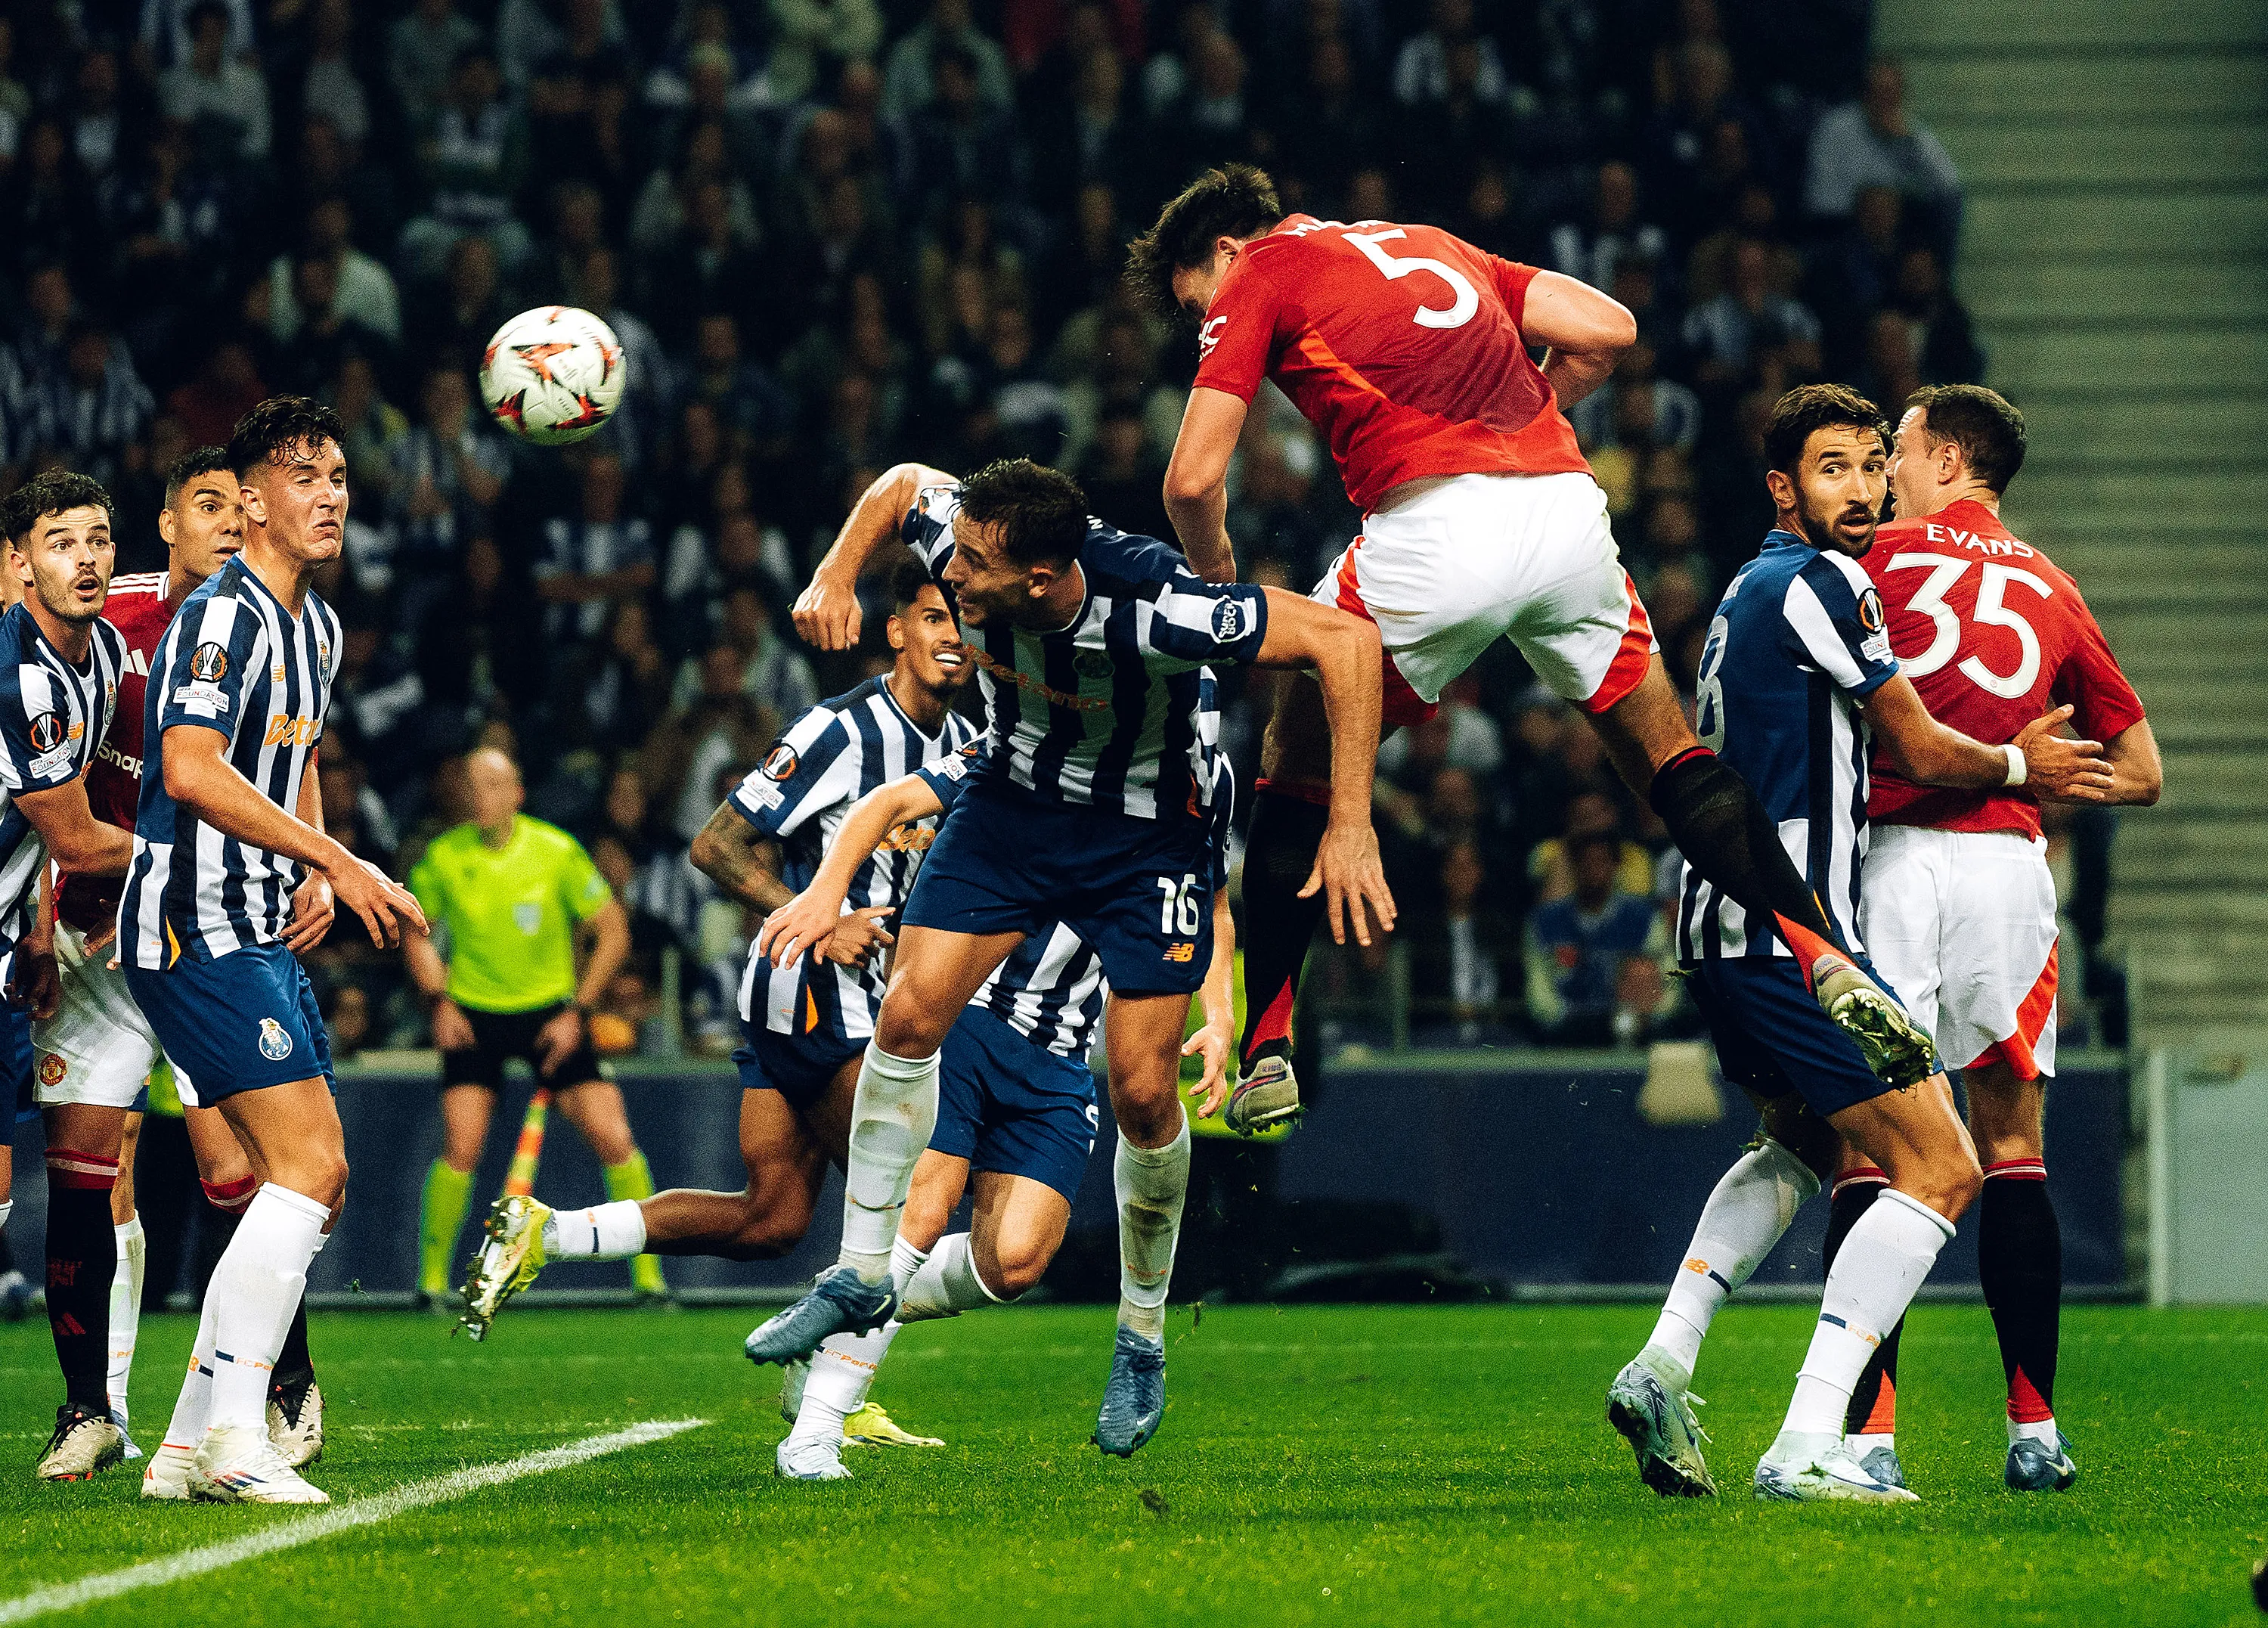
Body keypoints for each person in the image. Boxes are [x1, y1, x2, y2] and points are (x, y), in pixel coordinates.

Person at [1130, 165, 1935, 1136]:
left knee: (1290, 757)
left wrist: (1221, 596)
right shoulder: (1427, 239)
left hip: (1428, 527)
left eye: (1194, 304)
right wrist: (1536, 412)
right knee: (1671, 757)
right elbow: (1607, 331)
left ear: (1220, 249)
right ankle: (1823, 952)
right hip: (1563, 511)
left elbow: (1191, 478)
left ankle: (1266, 1044)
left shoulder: (1257, 266)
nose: (1204, 318)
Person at [742, 454, 1387, 1456]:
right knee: (909, 1019)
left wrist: (1349, 823)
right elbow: (901, 481)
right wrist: (833, 573)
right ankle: (863, 1272)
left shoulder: (1160, 606)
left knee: (1141, 1092)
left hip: (1145, 841)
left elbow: (1346, 640)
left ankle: (1140, 1334)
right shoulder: (968, 541)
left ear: (1041, 578)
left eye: (975, 567)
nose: (951, 578)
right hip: (1010, 807)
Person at [1603, 384, 2114, 1503]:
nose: (1866, 488)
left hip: (1719, 924)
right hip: (1791, 931)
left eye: (1877, 465)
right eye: (1834, 468)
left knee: (1796, 1145)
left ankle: (1663, 1361)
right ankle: (1806, 1442)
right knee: (1942, 1164)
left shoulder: (1746, 587)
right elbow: (1920, 744)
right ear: (1784, 488)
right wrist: (2026, 767)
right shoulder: (1829, 582)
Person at [456, 562, 978, 1376]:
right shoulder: (839, 730)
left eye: (966, 622)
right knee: (907, 1207)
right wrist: (816, 912)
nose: (955, 637)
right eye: (937, 618)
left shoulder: (959, 744)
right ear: (898, 630)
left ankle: (547, 1231)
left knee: (770, 1219)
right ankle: (832, 1391)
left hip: (836, 990)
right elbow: (715, 842)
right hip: (814, 987)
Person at [1820, 384, 2161, 1493]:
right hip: (2011, 874)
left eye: (1901, 452)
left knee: (1875, 1147)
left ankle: (1866, 1439)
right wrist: (2045, 770)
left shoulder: (1878, 558)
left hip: (1895, 861)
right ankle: (2035, 1430)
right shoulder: (2053, 583)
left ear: (1952, 457)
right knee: (2012, 1147)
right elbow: (2145, 771)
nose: (1885, 474)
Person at [764, 752, 1238, 1479]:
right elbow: (890, 801)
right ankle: (815, 1431)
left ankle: (840, 1307)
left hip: (1061, 1060)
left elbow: (1208, 900)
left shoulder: (1205, 768)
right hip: (972, 1018)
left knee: (1012, 1264)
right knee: (920, 1211)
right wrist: (826, 888)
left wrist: (1220, 1010)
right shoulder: (1032, 730)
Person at [122, 398, 426, 1506]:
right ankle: (240, 1443)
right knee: (310, 1170)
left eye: (339, 473)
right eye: (304, 475)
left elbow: (286, 755)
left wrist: (306, 862)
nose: (331, 493)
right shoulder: (222, 619)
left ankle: (184, 1443)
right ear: (250, 503)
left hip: (254, 919)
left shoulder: (320, 627)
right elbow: (194, 767)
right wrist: (340, 860)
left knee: (304, 1185)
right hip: (188, 922)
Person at [37, 449, 333, 1475]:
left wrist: (318, 865)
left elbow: (293, 757)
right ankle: (92, 1409)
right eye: (205, 504)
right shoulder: (104, 618)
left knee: (240, 1164)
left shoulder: (269, 627)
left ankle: (280, 1386)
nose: (224, 521)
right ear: (167, 524)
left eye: (235, 505)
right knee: (89, 1168)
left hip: (202, 923)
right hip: (92, 930)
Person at [404, 747, 658, 1307]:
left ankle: (650, 1282)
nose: (481, 796)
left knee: (613, 1135)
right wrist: (439, 1002)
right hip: (474, 1013)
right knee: (461, 1144)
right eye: (473, 785)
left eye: (494, 785)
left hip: (550, 1013)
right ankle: (431, 1285)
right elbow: (415, 931)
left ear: (517, 793)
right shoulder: (444, 856)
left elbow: (612, 930)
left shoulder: (556, 850)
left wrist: (578, 1011)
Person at [0, 473, 136, 1481]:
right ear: (22, 562)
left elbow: (64, 827)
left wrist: (40, 925)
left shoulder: (109, 653)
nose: (85, 560)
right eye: (60, 542)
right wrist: (193, 859)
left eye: (98, 540)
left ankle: (91, 1408)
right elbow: (81, 836)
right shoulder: (23, 678)